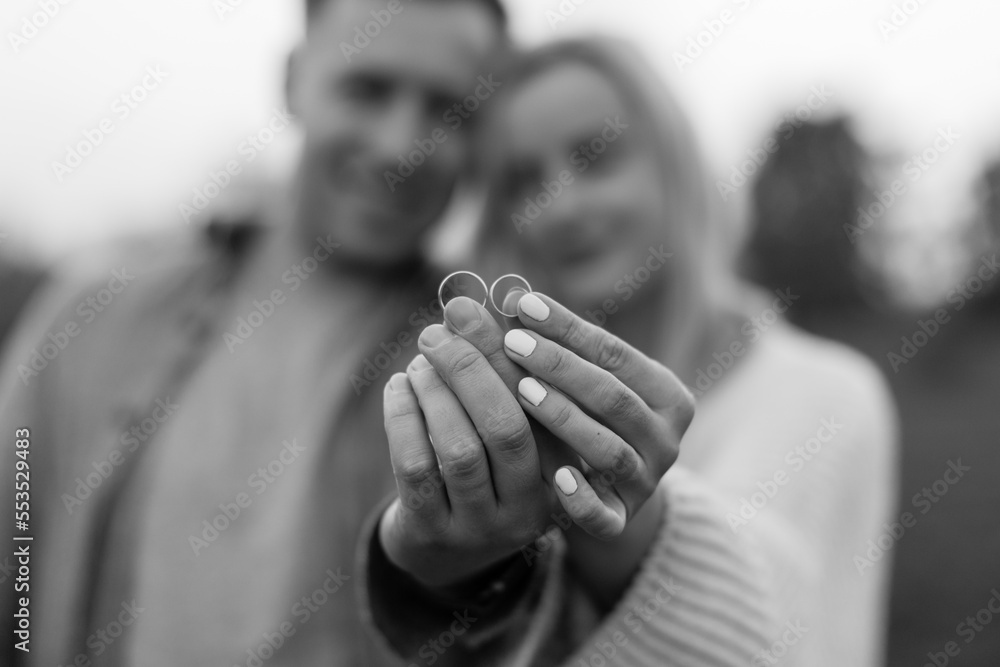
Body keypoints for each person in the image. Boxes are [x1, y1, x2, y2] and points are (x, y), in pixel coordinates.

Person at [0, 0, 509, 664]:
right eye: (368, 90)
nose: (400, 145)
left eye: (449, 110)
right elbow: (15, 553)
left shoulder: (486, 375)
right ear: (294, 80)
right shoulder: (92, 316)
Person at [363, 39, 899, 666]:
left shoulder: (828, 395)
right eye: (523, 182)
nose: (561, 206)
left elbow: (799, 637)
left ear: (671, 161)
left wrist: (626, 521)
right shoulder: (481, 407)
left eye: (595, 158)